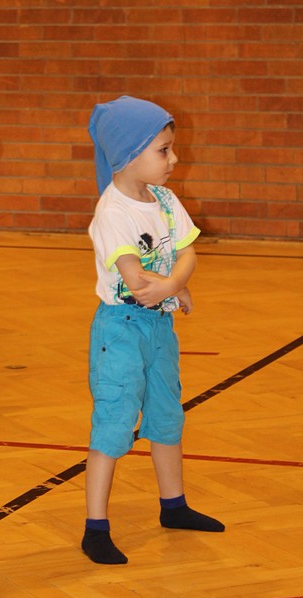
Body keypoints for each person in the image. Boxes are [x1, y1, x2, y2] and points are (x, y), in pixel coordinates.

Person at [82, 96, 225, 565]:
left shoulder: (164, 199)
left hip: (159, 327)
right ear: (129, 154)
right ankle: (95, 528)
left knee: (166, 416)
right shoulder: (112, 212)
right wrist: (170, 286)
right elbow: (135, 279)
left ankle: (174, 506)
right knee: (114, 423)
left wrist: (174, 283)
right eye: (163, 150)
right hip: (121, 331)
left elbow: (187, 252)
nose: (174, 158)